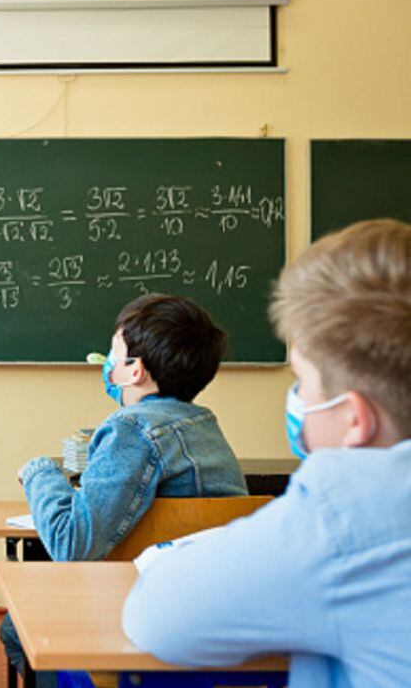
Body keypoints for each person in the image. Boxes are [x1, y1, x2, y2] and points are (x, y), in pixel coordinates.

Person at [123, 219, 411, 687]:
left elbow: (156, 618)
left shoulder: (347, 512)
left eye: (303, 380)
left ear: (354, 420)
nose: (298, 397)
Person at [1, 294, 248, 686]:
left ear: (134, 370)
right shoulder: (203, 424)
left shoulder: (130, 430)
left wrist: (40, 472)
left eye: (114, 354)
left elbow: (73, 544)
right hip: (217, 614)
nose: (108, 364)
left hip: (148, 614)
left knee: (15, 628)